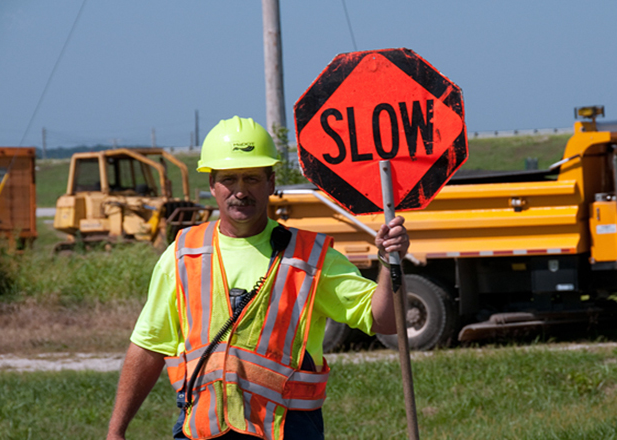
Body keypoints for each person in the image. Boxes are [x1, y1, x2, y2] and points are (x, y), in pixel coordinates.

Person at [106, 116, 409, 440]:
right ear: (212, 184)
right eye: (229, 179)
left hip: (287, 430)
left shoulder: (311, 258)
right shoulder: (183, 254)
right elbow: (149, 347)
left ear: (271, 181)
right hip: (202, 430)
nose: (240, 191)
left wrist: (389, 261)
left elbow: (386, 322)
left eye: (251, 178)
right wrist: (116, 431)